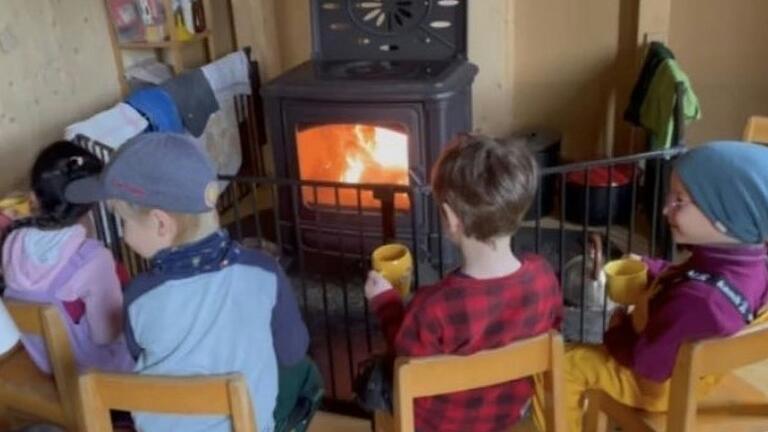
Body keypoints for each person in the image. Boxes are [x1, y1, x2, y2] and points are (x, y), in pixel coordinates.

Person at [65, 133, 309, 432]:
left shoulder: (139, 296)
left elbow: (137, 354)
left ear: (161, 224)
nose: (124, 233)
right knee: (305, 374)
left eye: (122, 221)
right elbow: (293, 351)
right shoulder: (265, 271)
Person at [537, 141, 768, 432]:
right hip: (705, 373)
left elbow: (647, 365)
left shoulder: (699, 302)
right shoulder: (749, 264)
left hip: (662, 388)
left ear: (725, 218)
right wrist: (652, 268)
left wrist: (617, 328)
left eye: (679, 201)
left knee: (563, 365)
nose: (664, 208)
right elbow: (691, 275)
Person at [364, 134, 563, 432]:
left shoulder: (434, 306)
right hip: (506, 414)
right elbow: (554, 326)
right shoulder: (543, 277)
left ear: (450, 218)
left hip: (439, 423)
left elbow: (403, 359)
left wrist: (386, 304)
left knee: (377, 376)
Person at [2, 140, 133, 373]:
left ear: (33, 197)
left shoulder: (12, 242)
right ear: (91, 203)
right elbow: (107, 335)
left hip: (46, 364)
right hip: (95, 373)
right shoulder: (93, 259)